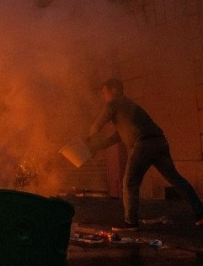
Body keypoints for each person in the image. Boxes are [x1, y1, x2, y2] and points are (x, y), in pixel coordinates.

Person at [87, 78, 203, 231]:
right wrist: (97, 146)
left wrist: (87, 140)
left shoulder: (114, 103)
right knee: (176, 179)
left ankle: (131, 223)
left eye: (104, 92)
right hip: (159, 142)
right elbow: (118, 137)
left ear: (114, 90)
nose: (104, 96)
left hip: (143, 144)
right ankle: (200, 213)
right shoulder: (129, 106)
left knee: (129, 182)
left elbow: (97, 126)